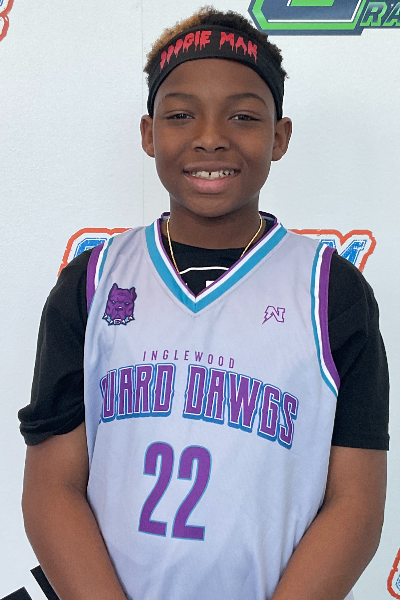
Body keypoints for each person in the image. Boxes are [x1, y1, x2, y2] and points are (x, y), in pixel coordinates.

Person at [19, 7, 389, 600]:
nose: (211, 136)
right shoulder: (92, 282)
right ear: (149, 133)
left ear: (279, 136)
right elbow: (51, 487)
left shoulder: (331, 292)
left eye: (242, 115)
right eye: (180, 115)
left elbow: (356, 504)